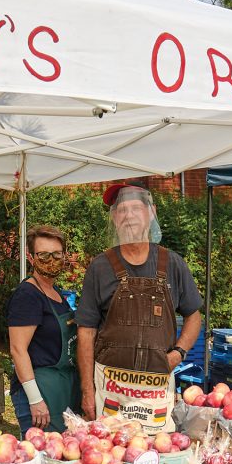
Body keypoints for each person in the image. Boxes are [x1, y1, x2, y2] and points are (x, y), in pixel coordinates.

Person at [76, 185, 202, 433]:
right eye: (122, 210)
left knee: (159, 451)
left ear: (151, 212)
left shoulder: (172, 263)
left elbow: (194, 316)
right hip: (111, 390)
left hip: (156, 389)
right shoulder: (100, 267)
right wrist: (87, 391)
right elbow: (85, 332)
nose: (129, 215)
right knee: (111, 452)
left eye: (136, 208)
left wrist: (178, 353)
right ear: (114, 217)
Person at [7, 225, 81, 436]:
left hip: (62, 390)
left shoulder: (56, 292)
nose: (51, 260)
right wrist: (35, 399)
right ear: (31, 258)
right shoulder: (27, 296)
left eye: (57, 254)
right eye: (43, 255)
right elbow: (17, 350)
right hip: (40, 394)